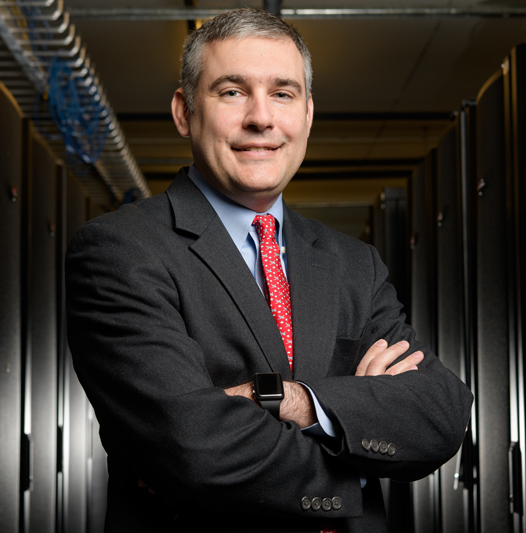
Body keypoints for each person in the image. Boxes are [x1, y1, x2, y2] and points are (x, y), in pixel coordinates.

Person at [66, 8, 473, 532]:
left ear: (306, 114)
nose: (261, 118)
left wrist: (296, 401)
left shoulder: (353, 263)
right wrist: (358, 450)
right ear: (185, 112)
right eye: (232, 92)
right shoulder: (121, 251)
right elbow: (190, 445)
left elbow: (439, 412)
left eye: (282, 93)